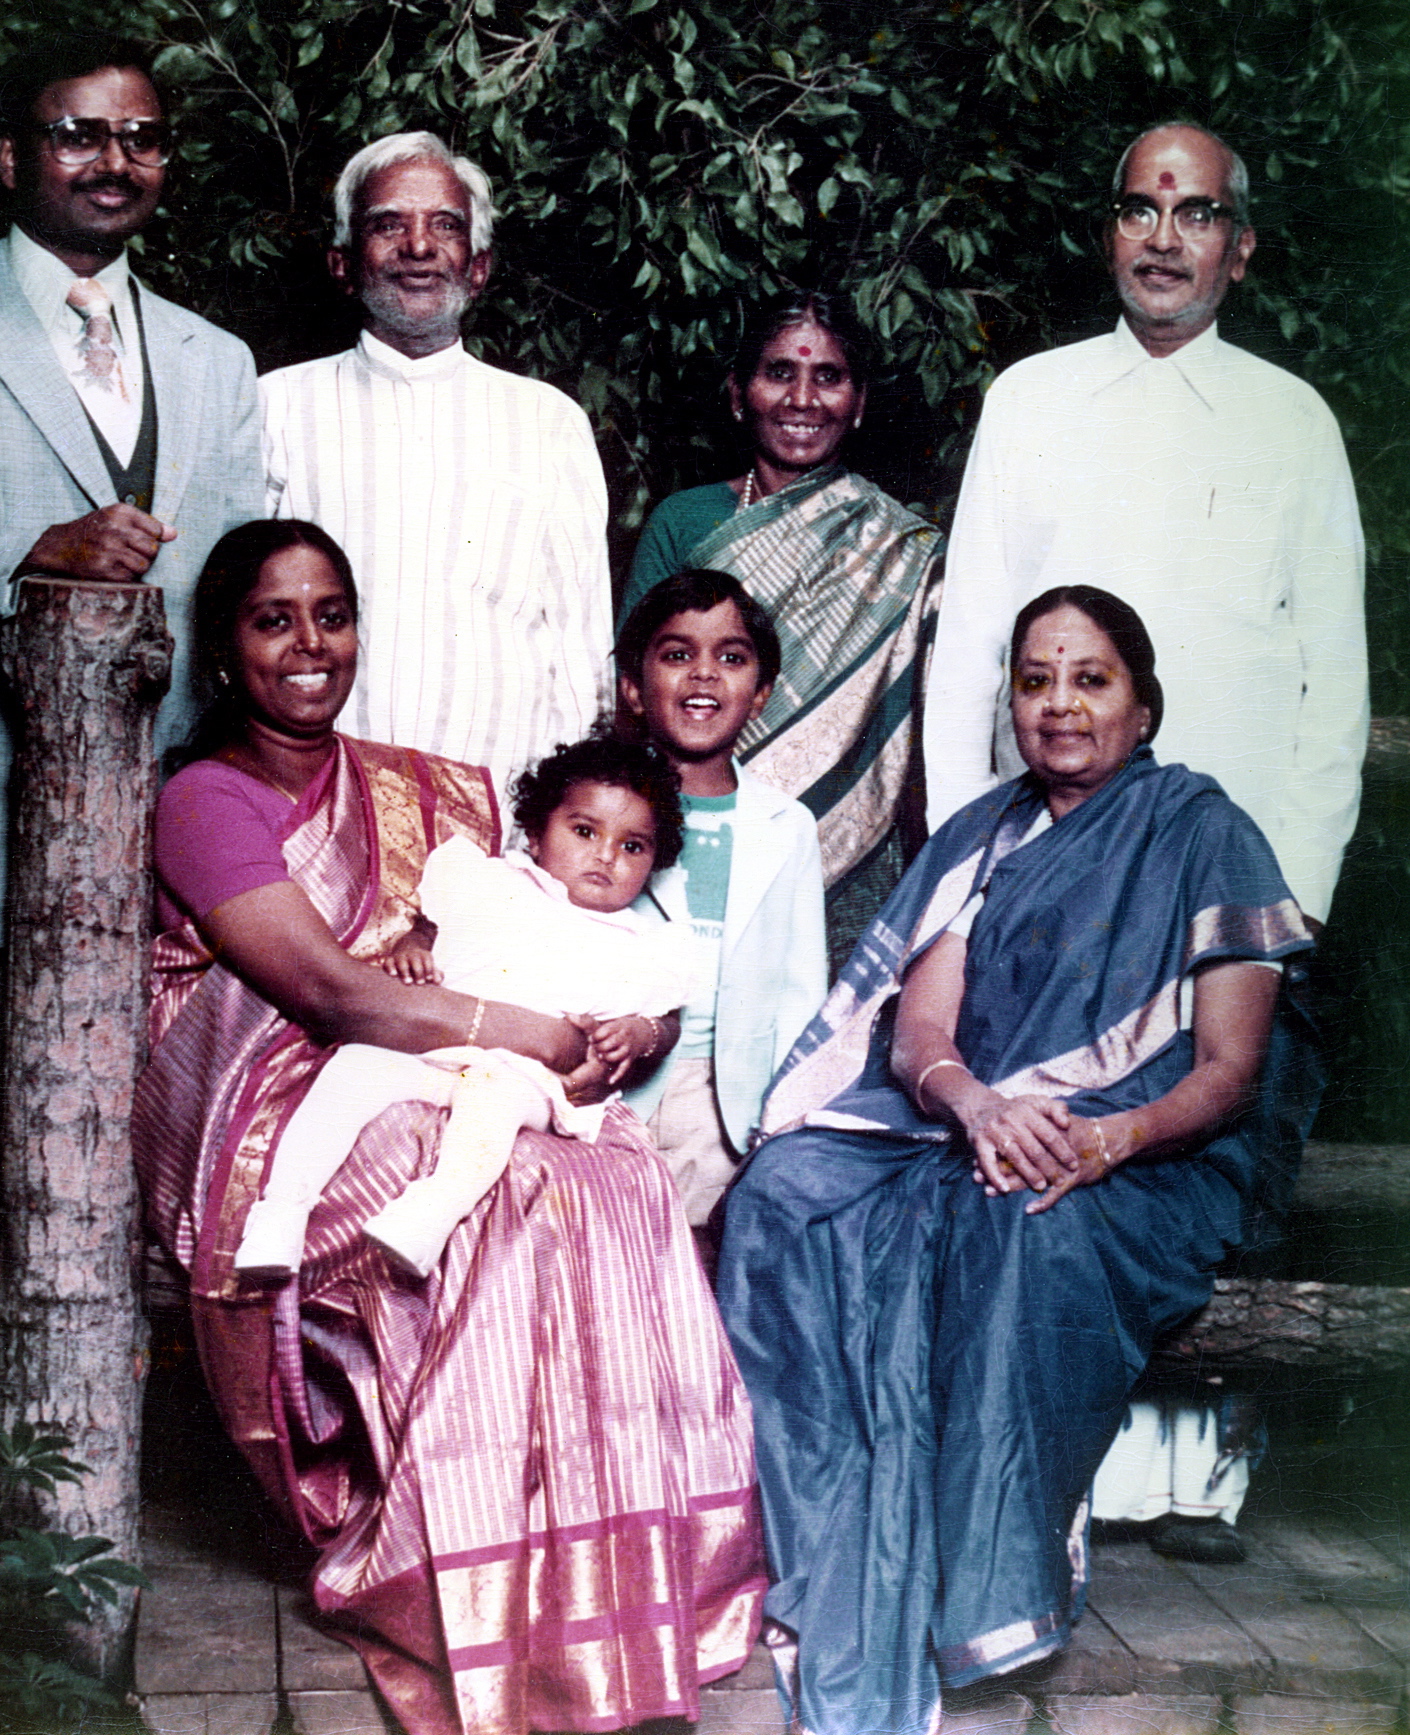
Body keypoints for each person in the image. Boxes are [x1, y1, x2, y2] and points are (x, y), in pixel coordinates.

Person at [134, 519, 766, 1735]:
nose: (310, 644)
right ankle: (469, 1581)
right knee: (508, 1193)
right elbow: (323, 993)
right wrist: (527, 1032)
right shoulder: (206, 797)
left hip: (440, 1052)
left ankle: (608, 1594)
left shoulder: (418, 786)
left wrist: (629, 1032)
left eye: (331, 613)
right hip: (277, 1089)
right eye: (274, 619)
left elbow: (560, 934)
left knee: (611, 1175)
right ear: (224, 652)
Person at [718, 586, 1311, 1735]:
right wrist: (976, 1106)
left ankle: (985, 1596)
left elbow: (1228, 1070)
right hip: (978, 1128)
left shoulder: (1200, 832)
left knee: (1016, 1224)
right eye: (1035, 680)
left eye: (1090, 678)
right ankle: (801, 1532)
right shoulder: (983, 835)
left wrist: (1101, 1138)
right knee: (786, 1194)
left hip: (1147, 1155)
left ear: (1143, 706)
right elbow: (919, 1034)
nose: (1059, 705)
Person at [924, 121, 1367, 1560]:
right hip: (1045, 886)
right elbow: (969, 651)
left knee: (1207, 1177)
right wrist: (965, 883)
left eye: (1195, 212)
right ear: (1108, 230)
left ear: (1238, 243)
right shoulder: (1032, 398)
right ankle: (1062, 1477)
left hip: (1224, 903)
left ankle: (1193, 1474)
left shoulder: (1291, 419)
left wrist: (1279, 912)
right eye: (1138, 206)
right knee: (1039, 1164)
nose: (1163, 235)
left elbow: (1330, 690)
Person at [0, 32, 263, 1474]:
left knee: (105, 1192)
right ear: (14, 156)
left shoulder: (214, 359)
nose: (113, 162)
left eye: (139, 138)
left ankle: (79, 1504)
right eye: (77, 135)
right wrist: (33, 551)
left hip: (152, 853)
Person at [233, 734, 692, 1281]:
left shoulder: (641, 941)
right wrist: (414, 952)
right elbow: (427, 926)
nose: (606, 855)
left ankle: (429, 1216)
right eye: (585, 831)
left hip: (528, 1079)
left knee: (491, 1104)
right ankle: (281, 1212)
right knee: (352, 1069)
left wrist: (639, 1033)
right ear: (538, 832)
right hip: (436, 1054)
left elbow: (666, 1020)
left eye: (632, 846)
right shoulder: (487, 880)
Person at [260, 131, 611, 804]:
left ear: (478, 267)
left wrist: (554, 824)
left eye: (444, 226)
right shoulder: (275, 406)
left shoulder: (548, 421)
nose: (418, 247)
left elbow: (578, 650)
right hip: (309, 809)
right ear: (342, 263)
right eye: (387, 225)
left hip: (498, 818)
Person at [623, 292, 943, 968]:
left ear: (858, 402)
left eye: (829, 376)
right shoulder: (685, 521)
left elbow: (918, 735)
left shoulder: (901, 546)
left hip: (849, 860)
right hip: (686, 835)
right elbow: (632, 696)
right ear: (739, 394)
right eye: (778, 373)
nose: (802, 398)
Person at [613, 571, 826, 1228]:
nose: (703, 675)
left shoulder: (787, 825)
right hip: (613, 1080)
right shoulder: (601, 804)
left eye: (730, 658)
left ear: (760, 694)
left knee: (697, 1261)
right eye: (677, 654)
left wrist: (783, 1118)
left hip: (725, 1098)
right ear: (633, 689)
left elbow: (801, 992)